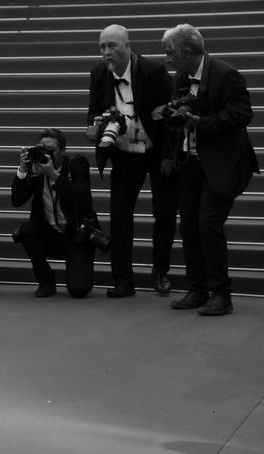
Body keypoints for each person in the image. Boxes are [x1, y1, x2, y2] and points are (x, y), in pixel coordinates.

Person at [162, 24, 259, 316]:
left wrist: (200, 122)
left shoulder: (225, 73)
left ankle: (222, 295)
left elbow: (244, 113)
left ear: (187, 52)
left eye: (170, 53)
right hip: (190, 162)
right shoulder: (181, 75)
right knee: (189, 226)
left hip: (224, 164)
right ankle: (197, 289)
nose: (166, 59)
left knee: (208, 225)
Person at [87, 24, 177, 298]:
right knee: (119, 215)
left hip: (155, 149)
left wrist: (167, 156)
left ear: (127, 46)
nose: (106, 52)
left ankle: (160, 272)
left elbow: (171, 120)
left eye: (112, 46)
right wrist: (96, 128)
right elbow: (92, 112)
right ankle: (123, 280)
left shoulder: (154, 72)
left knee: (163, 212)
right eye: (102, 47)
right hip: (124, 152)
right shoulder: (98, 73)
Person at [11, 129, 98, 298]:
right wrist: (23, 170)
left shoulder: (76, 164)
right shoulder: (35, 168)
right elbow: (16, 200)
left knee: (79, 290)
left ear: (63, 151)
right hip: (51, 234)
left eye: (52, 151)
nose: (47, 155)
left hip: (76, 235)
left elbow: (82, 196)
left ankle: (78, 269)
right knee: (27, 230)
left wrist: (53, 174)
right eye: (43, 150)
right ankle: (46, 281)